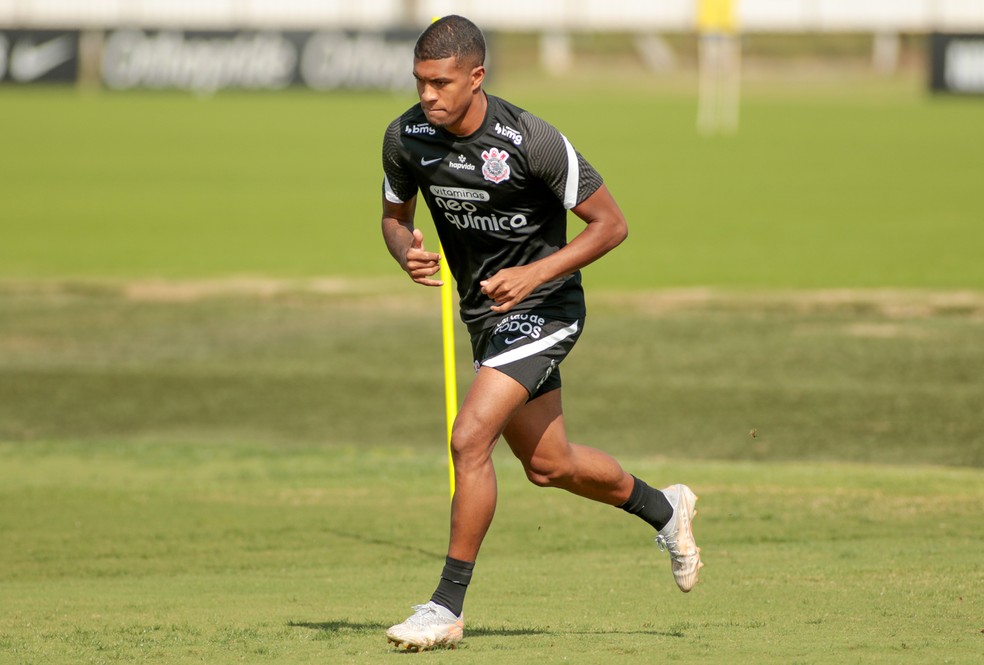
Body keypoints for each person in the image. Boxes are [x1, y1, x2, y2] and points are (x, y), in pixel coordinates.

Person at [380, 15, 702, 651]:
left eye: (441, 82)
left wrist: (533, 275)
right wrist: (404, 252)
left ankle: (444, 607)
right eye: (420, 82)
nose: (428, 96)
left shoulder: (532, 140)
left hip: (548, 308)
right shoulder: (404, 137)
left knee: (469, 437)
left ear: (477, 77)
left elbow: (611, 225)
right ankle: (666, 509)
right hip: (483, 317)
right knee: (549, 466)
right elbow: (393, 218)